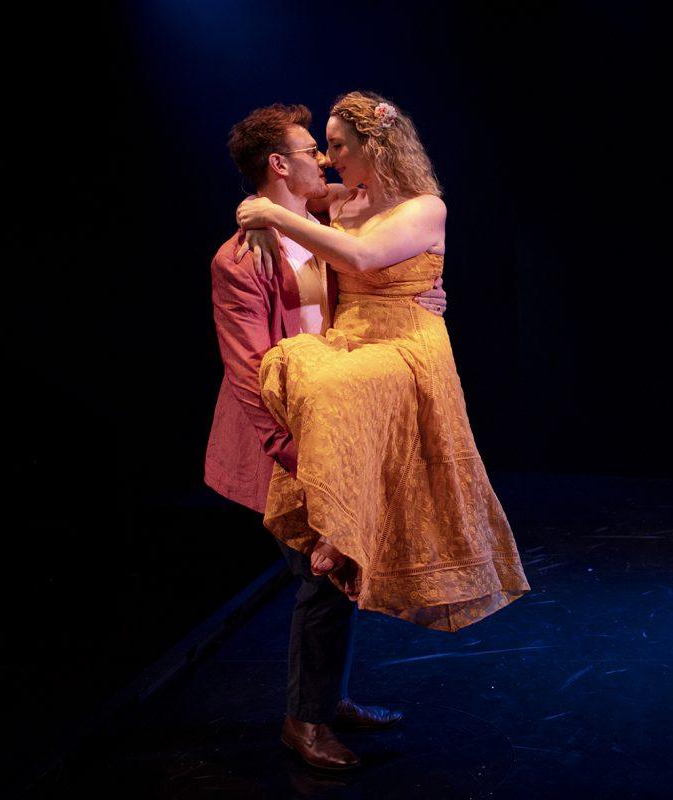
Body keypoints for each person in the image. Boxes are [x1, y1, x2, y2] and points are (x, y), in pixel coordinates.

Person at [206, 102, 448, 771]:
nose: (323, 159)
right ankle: (304, 723)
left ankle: (325, 699)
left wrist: (423, 296)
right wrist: (301, 461)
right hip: (286, 442)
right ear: (278, 165)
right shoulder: (240, 258)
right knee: (324, 578)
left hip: (336, 424)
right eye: (311, 150)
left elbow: (385, 241)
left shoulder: (322, 221)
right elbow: (252, 376)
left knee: (342, 577)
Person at [235, 90, 530, 634]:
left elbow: (363, 257)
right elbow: (280, 187)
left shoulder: (426, 206)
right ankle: (337, 520)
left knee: (341, 385)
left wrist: (268, 213)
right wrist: (254, 213)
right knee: (317, 377)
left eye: (339, 145)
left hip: (408, 342)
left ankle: (337, 530)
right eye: (324, 146)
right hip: (355, 336)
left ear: (376, 145)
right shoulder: (343, 198)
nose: (329, 157)